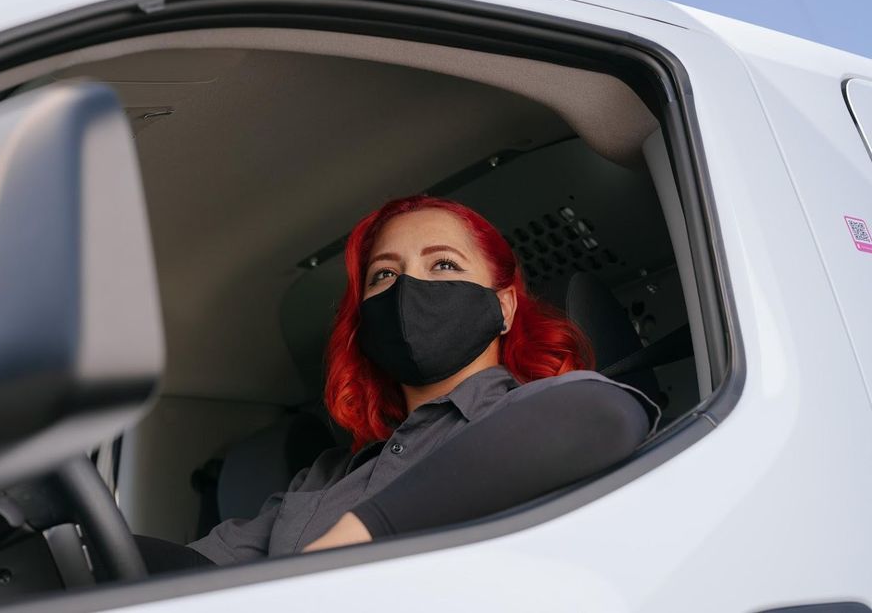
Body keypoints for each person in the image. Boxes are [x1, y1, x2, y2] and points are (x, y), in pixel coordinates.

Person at [186, 195, 659, 565]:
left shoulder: (538, 413)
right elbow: (196, 570)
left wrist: (356, 537)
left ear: (504, 307)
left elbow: (604, 414)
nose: (407, 288)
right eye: (384, 274)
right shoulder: (325, 477)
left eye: (444, 264)